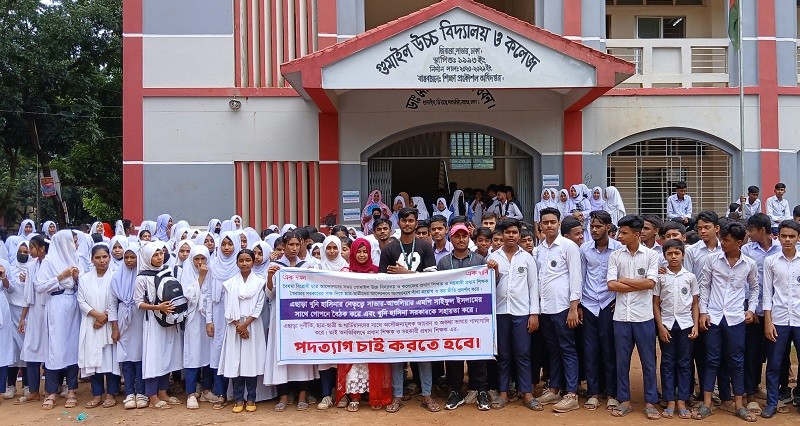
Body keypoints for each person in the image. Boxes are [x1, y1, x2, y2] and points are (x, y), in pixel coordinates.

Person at [694, 222, 758, 421]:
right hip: (713, 317)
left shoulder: (749, 264)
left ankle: (739, 405)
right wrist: (703, 312)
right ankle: (707, 404)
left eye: (727, 240)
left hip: (736, 318)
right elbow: (704, 287)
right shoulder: (712, 260)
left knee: (737, 361)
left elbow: (754, 288)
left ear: (739, 242)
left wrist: (751, 309)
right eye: (722, 239)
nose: (722, 243)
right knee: (711, 360)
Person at [378, 207, 437, 413]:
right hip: (396, 309)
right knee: (397, 352)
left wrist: (406, 274)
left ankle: (427, 394)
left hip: (422, 308)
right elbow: (381, 281)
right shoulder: (389, 249)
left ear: (416, 222)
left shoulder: (425, 246)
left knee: (423, 351)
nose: (407, 224)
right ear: (399, 223)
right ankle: (397, 395)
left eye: (411, 220)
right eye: (404, 221)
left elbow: (432, 279)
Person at [606, 215, 660, 420]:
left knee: (648, 362)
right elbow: (611, 285)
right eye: (620, 232)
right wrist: (639, 283)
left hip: (644, 317)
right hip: (621, 317)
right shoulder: (615, 255)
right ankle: (624, 401)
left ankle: (650, 402)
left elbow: (651, 283)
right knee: (622, 361)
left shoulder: (651, 255)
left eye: (624, 233)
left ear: (637, 234)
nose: (619, 236)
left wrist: (625, 280)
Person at [485, 218, 540, 411]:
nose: (511, 236)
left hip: (522, 312)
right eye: (507, 232)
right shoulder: (493, 257)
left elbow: (533, 286)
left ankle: (527, 393)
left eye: (514, 232)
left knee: (523, 353)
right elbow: (489, 285)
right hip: (500, 312)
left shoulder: (527, 258)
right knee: (504, 354)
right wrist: (494, 272)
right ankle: (503, 393)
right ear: (501, 235)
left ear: (519, 235)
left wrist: (534, 314)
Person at [333, 237, 392, 412]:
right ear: (352, 252)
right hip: (351, 325)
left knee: (372, 360)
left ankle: (374, 395)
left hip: (372, 324)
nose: (361, 254)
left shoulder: (376, 272)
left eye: (365, 251)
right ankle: (355, 397)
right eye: (358, 251)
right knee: (354, 361)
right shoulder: (345, 272)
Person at [533, 207, 581, 413]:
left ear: (559, 224)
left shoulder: (568, 247)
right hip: (545, 308)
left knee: (567, 348)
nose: (549, 225)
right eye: (545, 222)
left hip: (563, 307)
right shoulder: (539, 249)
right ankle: (554, 388)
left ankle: (571, 393)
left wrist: (573, 308)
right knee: (552, 349)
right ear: (540, 226)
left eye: (553, 222)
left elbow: (576, 277)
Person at [264, 231, 318, 412]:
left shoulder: (307, 265)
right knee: (281, 354)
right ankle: (284, 396)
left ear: (302, 245)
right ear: (284, 246)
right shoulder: (275, 266)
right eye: (291, 245)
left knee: (301, 355)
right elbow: (269, 294)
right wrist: (270, 277)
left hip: (300, 317)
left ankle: (302, 396)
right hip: (281, 316)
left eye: (297, 244)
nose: (294, 248)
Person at [438, 224, 490, 411]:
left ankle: (481, 390)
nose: (461, 239)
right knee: (453, 353)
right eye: (457, 236)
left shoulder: (479, 259)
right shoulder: (444, 262)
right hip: (452, 317)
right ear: (450, 239)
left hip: (476, 315)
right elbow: (438, 288)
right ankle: (455, 391)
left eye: (464, 236)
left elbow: (491, 284)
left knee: (478, 352)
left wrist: (495, 270)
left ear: (469, 238)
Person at [579, 210, 622, 411]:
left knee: (609, 350)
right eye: (592, 226)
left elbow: (622, 276)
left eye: (598, 226)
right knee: (590, 351)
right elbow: (580, 276)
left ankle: (612, 394)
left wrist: (619, 299)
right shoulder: (584, 249)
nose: (594, 230)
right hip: (589, 305)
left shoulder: (618, 249)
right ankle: (593, 393)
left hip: (609, 304)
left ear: (608, 227)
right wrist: (579, 304)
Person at [35, 230, 81, 410]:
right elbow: (39, 286)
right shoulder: (48, 261)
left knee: (72, 347)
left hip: (73, 304)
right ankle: (52, 391)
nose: (75, 245)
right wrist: (61, 276)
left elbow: (83, 285)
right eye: (72, 241)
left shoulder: (75, 259)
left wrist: (77, 278)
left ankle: (71, 391)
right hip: (56, 305)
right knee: (55, 348)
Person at [653, 239, 698, 420]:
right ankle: (670, 399)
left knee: (685, 362)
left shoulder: (690, 277)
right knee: (668, 362)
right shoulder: (661, 277)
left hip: (686, 324)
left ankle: (682, 400)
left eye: (677, 253)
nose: (673, 257)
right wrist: (660, 326)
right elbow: (655, 303)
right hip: (667, 325)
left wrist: (696, 325)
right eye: (669, 253)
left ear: (683, 255)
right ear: (664, 256)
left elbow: (695, 303)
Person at [136, 241, 183, 409]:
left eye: (161, 254)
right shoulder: (142, 277)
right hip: (153, 321)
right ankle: (152, 396)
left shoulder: (168, 271)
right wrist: (158, 307)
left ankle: (163, 392)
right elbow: (138, 303)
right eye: (155, 255)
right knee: (153, 357)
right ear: (147, 257)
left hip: (169, 319)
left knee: (167, 355)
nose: (159, 257)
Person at [741, 213, 781, 412]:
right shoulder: (747, 250)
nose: (749, 234)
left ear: (762, 230)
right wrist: (750, 307)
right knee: (752, 352)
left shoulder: (780, 249)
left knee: (775, 353)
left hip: (777, 310)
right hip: (754, 309)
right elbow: (745, 281)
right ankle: (751, 392)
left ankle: (778, 392)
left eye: (751, 230)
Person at [218, 249, 266, 414]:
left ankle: (251, 398)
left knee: (250, 362)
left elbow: (259, 306)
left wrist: (246, 324)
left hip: (252, 325)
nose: (244, 263)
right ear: (237, 262)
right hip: (235, 327)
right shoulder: (230, 283)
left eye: (247, 260)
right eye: (241, 260)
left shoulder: (259, 282)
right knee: (236, 362)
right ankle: (239, 398)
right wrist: (239, 326)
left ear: (253, 262)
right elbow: (227, 307)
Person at [762, 219, 800, 418]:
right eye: (783, 236)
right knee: (774, 364)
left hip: (799, 319)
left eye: (791, 236)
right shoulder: (771, 261)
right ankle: (772, 402)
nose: (787, 240)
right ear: (778, 237)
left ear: (798, 237)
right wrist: (768, 321)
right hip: (778, 319)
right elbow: (767, 293)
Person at [77, 244, 120, 409]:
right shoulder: (84, 278)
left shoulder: (116, 276)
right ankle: (96, 395)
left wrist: (104, 318)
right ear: (92, 259)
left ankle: (111, 394)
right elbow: (81, 301)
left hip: (110, 323)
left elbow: (117, 300)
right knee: (93, 360)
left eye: (105, 257)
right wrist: (97, 315)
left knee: (110, 360)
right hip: (91, 323)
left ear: (109, 258)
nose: (102, 261)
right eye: (98, 257)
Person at [109, 242, 147, 410]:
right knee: (126, 357)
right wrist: (115, 328)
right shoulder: (116, 277)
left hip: (140, 317)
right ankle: (129, 393)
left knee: (140, 356)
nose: (130, 260)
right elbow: (112, 304)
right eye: (127, 257)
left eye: (133, 257)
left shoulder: (143, 276)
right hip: (123, 321)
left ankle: (141, 392)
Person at [207, 231, 241, 407]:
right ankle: (221, 393)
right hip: (218, 315)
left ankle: (236, 393)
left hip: (236, 316)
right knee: (217, 353)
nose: (227, 248)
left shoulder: (240, 266)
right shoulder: (213, 266)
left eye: (230, 244)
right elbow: (208, 295)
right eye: (224, 244)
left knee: (234, 353)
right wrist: (209, 320)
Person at [315, 235, 348, 410]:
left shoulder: (346, 268)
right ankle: (326, 395)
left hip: (342, 320)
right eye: (328, 248)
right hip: (323, 320)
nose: (332, 251)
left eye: (335, 248)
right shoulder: (317, 268)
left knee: (340, 356)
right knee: (325, 357)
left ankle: (341, 394)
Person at [180, 245, 215, 409]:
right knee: (193, 355)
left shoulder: (212, 272)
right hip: (193, 318)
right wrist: (201, 277)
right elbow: (189, 296)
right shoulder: (186, 272)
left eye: (203, 259)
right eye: (196, 259)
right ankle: (191, 393)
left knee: (208, 354)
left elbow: (211, 296)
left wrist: (210, 320)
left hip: (207, 318)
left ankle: (206, 390)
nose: (200, 262)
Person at [15, 235, 48, 405]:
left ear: (41, 248)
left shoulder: (50, 264)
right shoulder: (31, 266)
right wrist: (23, 317)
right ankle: (34, 390)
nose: (30, 251)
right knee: (30, 350)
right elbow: (27, 294)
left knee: (50, 351)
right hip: (34, 313)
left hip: (50, 311)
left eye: (32, 247)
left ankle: (52, 389)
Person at [6, 240, 28, 399]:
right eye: (20, 251)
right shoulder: (11, 268)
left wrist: (28, 280)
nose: (22, 254)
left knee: (26, 348)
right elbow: (9, 288)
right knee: (13, 349)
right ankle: (11, 385)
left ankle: (27, 384)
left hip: (28, 312)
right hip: (12, 311)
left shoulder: (34, 268)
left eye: (26, 252)